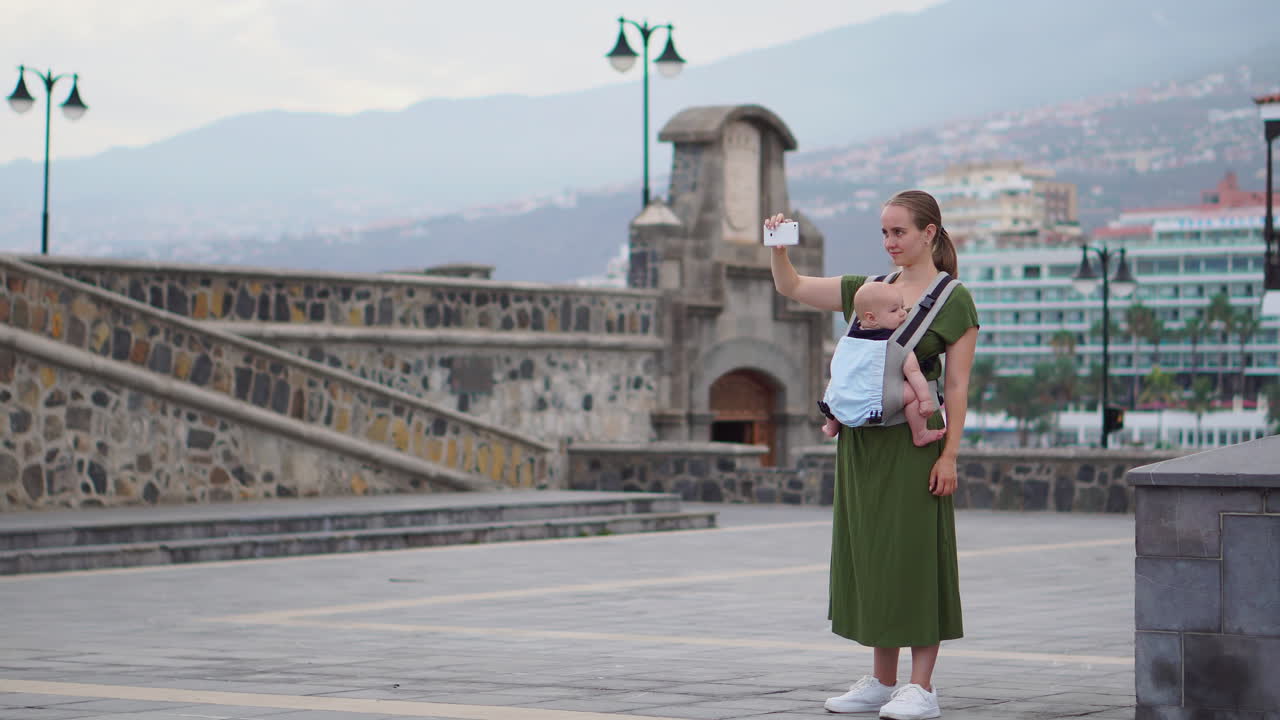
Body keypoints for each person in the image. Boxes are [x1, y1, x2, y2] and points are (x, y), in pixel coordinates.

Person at [765, 190, 979, 720]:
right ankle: (884, 683)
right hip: (862, 442)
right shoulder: (868, 290)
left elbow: (955, 388)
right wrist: (777, 246)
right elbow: (790, 286)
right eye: (884, 232)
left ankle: (921, 687)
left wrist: (949, 454)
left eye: (900, 232)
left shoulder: (955, 300)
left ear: (930, 232)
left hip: (914, 444)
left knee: (915, 554)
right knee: (873, 553)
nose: (890, 243)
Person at [819, 280, 947, 448]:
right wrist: (925, 400)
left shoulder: (848, 340)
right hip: (875, 405)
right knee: (913, 392)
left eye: (902, 307)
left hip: (842, 403)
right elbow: (914, 372)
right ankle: (920, 433)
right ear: (871, 318)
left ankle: (831, 427)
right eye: (894, 310)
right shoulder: (897, 345)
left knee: (833, 388)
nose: (903, 313)